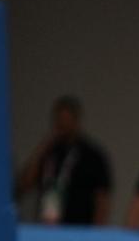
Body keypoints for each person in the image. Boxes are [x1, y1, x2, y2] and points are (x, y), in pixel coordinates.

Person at [15, 95, 113, 226]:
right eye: (58, 120)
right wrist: (42, 148)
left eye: (66, 119)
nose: (62, 124)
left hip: (79, 229)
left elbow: (102, 199)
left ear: (76, 120)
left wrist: (96, 234)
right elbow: (24, 184)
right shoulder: (48, 152)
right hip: (48, 227)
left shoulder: (93, 156)